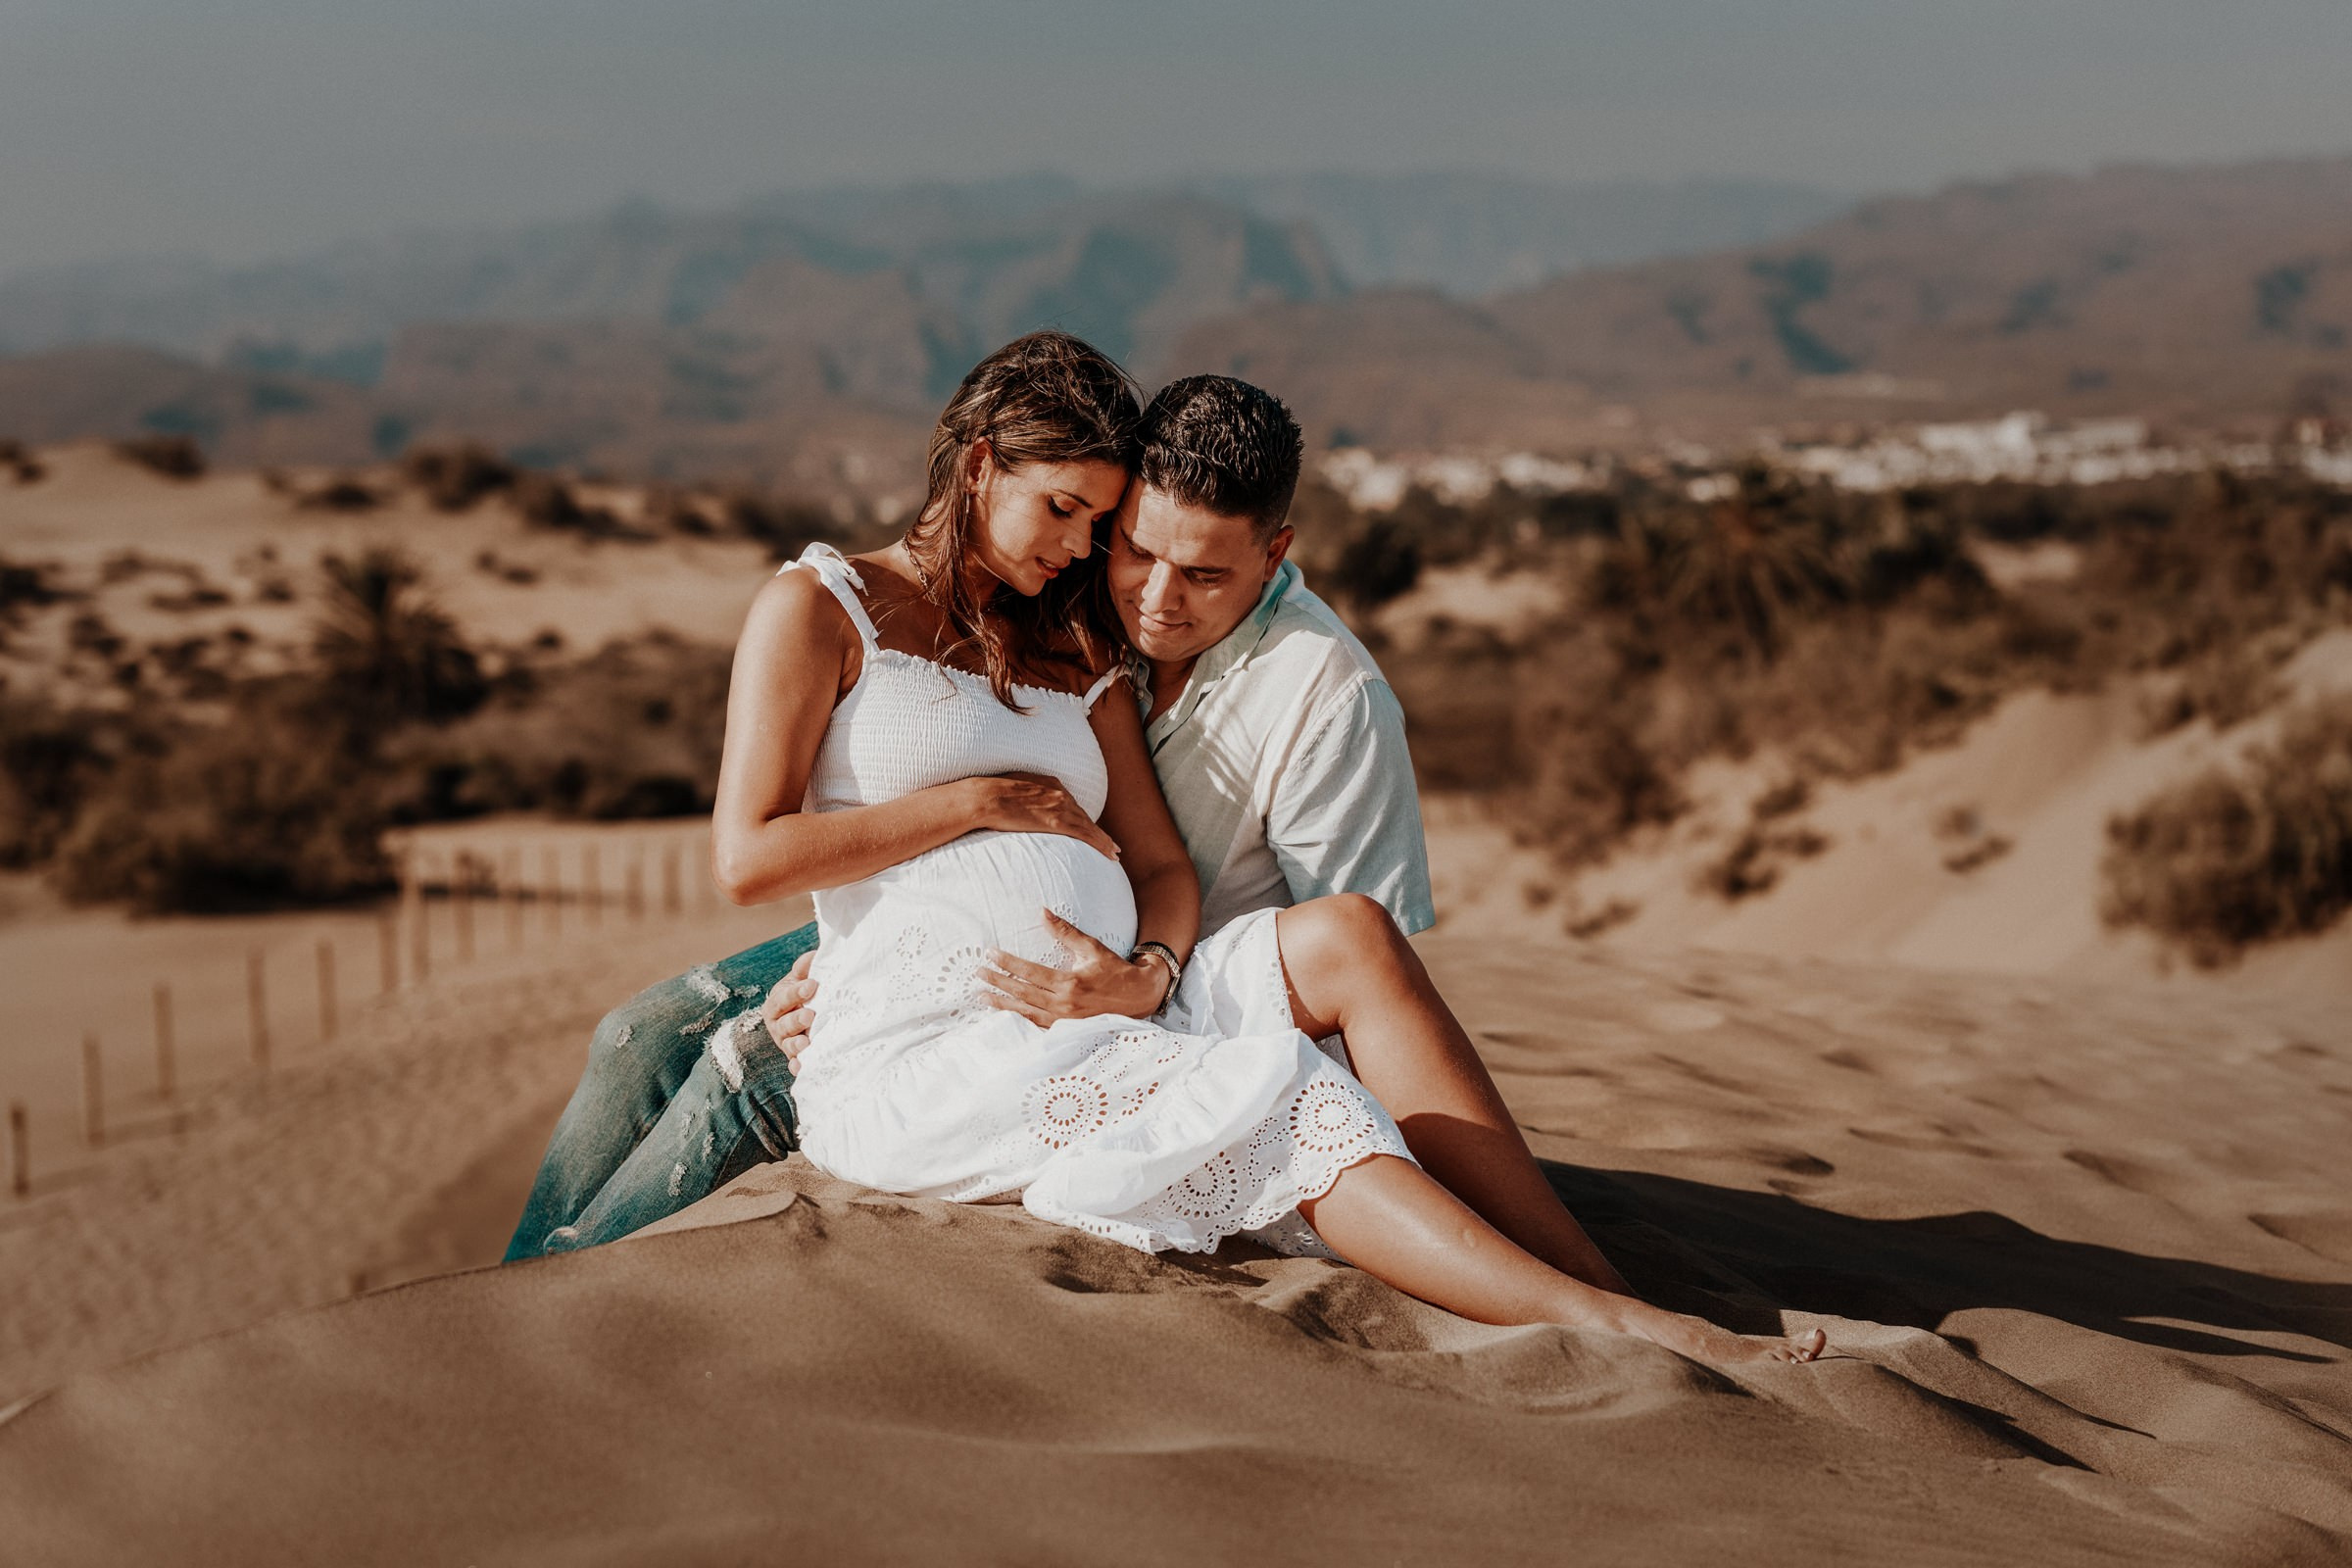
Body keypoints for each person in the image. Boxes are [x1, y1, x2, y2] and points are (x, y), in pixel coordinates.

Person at [513, 331, 1825, 1365]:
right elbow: (752, 856)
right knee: (646, 1034)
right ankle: (515, 1312)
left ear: (1273, 555)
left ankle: (1593, 1290)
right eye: (1083, 524)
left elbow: (1162, 864)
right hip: (924, 1020)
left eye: (1110, 527)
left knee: (1336, 972)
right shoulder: (822, 606)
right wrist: (973, 808)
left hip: (1134, 994)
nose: (1099, 565)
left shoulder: (1117, 652)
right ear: (978, 467)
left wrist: (1144, 970)